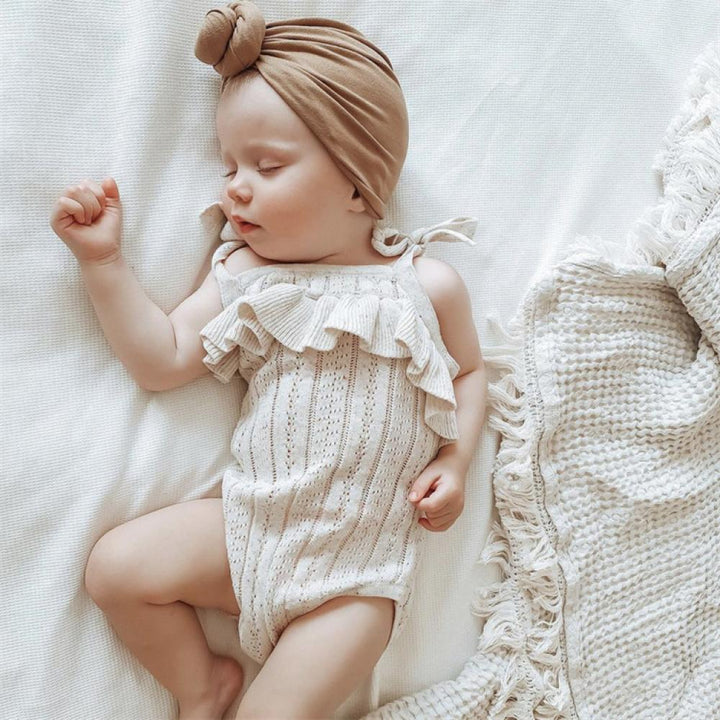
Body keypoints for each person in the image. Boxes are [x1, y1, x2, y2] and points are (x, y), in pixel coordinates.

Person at [49, 2, 488, 718]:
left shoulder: (423, 285)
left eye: (267, 165)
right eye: (229, 165)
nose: (234, 186)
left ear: (358, 181)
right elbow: (162, 359)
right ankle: (202, 685)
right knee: (114, 569)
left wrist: (457, 460)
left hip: (354, 579)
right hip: (251, 527)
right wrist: (103, 264)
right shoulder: (248, 276)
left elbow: (468, 373)